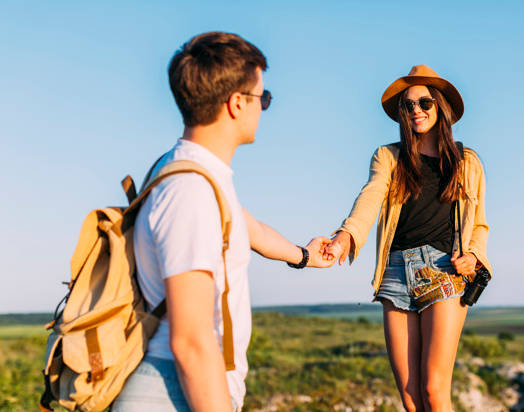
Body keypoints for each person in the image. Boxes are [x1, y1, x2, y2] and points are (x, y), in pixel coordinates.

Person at [111, 32, 335, 412]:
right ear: (236, 104)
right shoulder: (191, 190)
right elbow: (192, 341)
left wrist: (304, 255)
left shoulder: (189, 172)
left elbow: (253, 231)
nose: (263, 107)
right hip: (175, 391)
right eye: (262, 98)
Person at [325, 65, 491, 412]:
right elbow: (370, 196)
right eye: (408, 105)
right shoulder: (389, 157)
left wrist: (474, 256)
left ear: (441, 107)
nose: (416, 110)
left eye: (424, 102)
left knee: (433, 391)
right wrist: (345, 235)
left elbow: (480, 225)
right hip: (396, 273)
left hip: (444, 269)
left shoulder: (467, 162)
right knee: (411, 399)